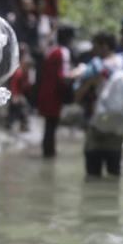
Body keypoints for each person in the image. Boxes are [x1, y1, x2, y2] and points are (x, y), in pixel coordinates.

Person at [74, 32, 123, 178]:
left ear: (104, 46)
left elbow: (78, 97)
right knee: (114, 173)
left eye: (95, 46)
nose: (92, 50)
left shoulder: (96, 66)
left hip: (96, 126)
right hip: (118, 127)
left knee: (93, 174)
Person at [36, 24, 75, 158]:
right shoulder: (63, 52)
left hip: (45, 92)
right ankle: (49, 154)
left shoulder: (51, 50)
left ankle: (47, 153)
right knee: (52, 126)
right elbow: (63, 76)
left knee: (48, 126)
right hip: (54, 95)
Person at [6, 45, 33, 132]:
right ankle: (10, 124)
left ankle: (23, 125)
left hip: (20, 94)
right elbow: (13, 85)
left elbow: (27, 87)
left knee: (24, 108)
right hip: (14, 94)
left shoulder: (26, 73)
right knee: (17, 108)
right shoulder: (19, 73)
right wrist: (15, 96)